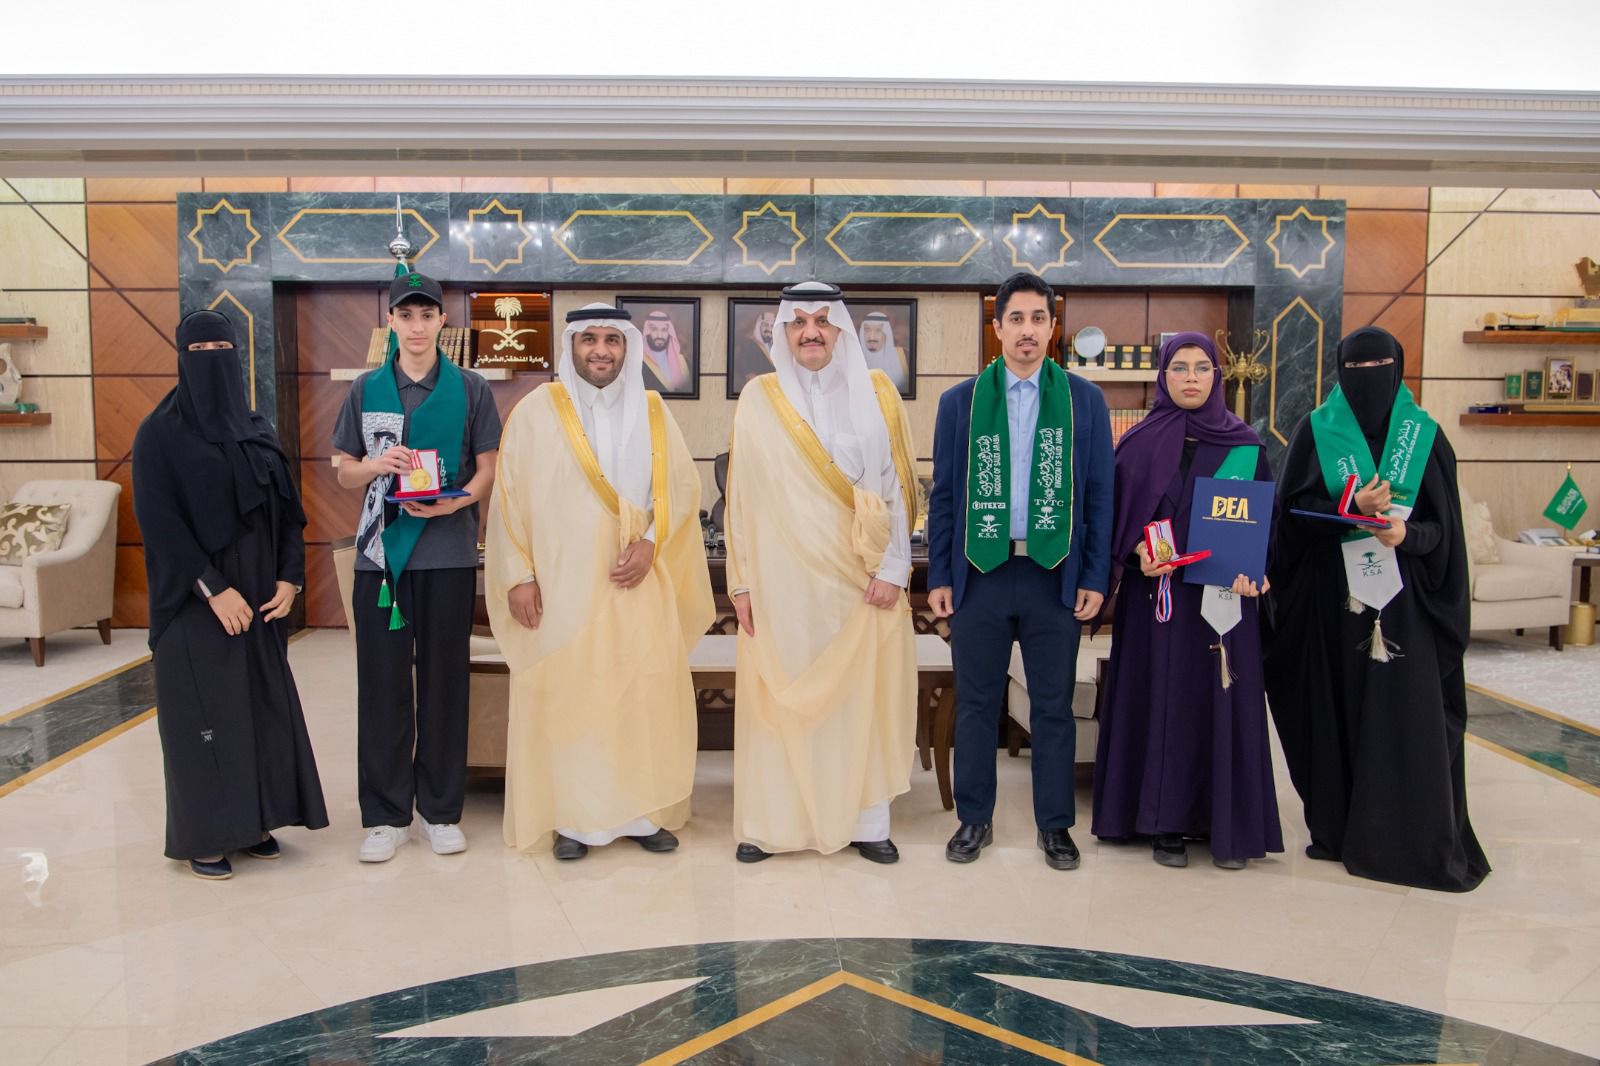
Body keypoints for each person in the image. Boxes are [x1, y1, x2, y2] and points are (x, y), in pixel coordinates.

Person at [1264, 326, 1488, 892]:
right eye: (1355, 370)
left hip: (1406, 612)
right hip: (1332, 612)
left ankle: (1408, 840)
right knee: (1338, 715)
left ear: (1399, 368)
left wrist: (1407, 535)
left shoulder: (1425, 437)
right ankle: (1341, 829)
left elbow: (1444, 533)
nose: (1367, 380)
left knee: (1406, 720)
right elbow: (1288, 522)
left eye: (1379, 367)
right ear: (1339, 372)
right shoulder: (1316, 431)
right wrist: (1349, 508)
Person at [486, 304, 712, 859]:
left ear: (628, 347)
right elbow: (508, 497)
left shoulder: (653, 410)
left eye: (612, 339)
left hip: (635, 583)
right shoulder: (536, 410)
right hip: (562, 587)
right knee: (572, 696)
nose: (601, 350)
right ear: (571, 346)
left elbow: (680, 489)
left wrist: (652, 542)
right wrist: (519, 575)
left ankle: (641, 814)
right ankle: (576, 819)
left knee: (641, 694)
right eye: (589, 339)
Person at [724, 281, 919, 864]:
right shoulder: (759, 397)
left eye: (822, 321)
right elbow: (741, 497)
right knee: (779, 699)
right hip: (780, 584)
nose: (811, 332)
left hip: (859, 582)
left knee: (859, 701)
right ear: (784, 332)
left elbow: (897, 490)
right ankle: (772, 825)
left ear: (840, 329)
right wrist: (741, 582)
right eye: (799, 322)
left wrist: (894, 568)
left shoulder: (878, 393)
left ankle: (866, 823)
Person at [927, 271, 1113, 871]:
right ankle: (974, 818)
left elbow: (1099, 496)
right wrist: (939, 576)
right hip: (980, 571)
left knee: (1052, 706)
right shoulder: (960, 402)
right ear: (998, 327)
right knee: (977, 704)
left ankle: (1055, 826)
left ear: (1053, 328)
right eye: (1016, 319)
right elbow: (945, 497)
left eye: (1038, 318)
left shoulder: (1084, 401)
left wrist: (1095, 576)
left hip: (1052, 572)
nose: (1027, 330)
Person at [132, 309, 327, 880]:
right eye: (199, 350)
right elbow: (160, 524)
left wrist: (290, 578)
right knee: (206, 720)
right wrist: (214, 590)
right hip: (195, 606)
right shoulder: (159, 434)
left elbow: (288, 512)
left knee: (259, 714)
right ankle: (207, 838)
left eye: (222, 348)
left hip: (261, 601)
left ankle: (257, 824)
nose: (212, 359)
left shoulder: (256, 429)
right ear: (181, 357)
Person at [1090, 332, 1282, 870]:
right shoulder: (1136, 442)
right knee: (1164, 702)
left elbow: (1267, 526)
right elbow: (1112, 520)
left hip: (1223, 604)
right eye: (1180, 367)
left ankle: (1226, 825)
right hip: (1158, 601)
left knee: (1219, 701)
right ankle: (1164, 824)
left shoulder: (1246, 446)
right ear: (1163, 376)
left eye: (1202, 367)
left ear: (1217, 376)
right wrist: (1135, 553)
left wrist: (1257, 571)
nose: (1191, 377)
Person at [331, 270, 502, 863]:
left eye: (427, 315)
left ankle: (440, 810)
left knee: (444, 684)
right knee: (381, 685)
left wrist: (458, 501)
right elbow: (343, 470)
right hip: (380, 560)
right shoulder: (366, 389)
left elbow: (488, 468)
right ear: (391, 322)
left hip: (448, 555)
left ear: (442, 320)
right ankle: (385, 815)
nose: (417, 325)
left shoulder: (471, 388)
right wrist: (377, 467)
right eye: (406, 315)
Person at [640, 309, 693, 393]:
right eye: (654, 329)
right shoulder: (639, 362)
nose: (659, 335)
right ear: (647, 332)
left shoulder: (684, 362)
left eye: (664, 330)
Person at [858, 311, 910, 394]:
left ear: (887, 334)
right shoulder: (853, 357)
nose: (872, 337)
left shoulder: (904, 355)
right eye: (867, 330)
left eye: (878, 330)